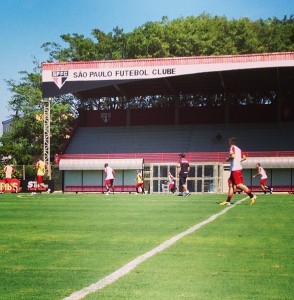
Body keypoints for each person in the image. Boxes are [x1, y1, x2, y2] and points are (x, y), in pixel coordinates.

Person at [219, 137, 256, 206]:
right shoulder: (239, 149)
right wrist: (238, 161)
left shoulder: (232, 148)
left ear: (230, 142)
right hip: (235, 169)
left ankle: (252, 196)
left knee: (239, 185)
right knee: (230, 184)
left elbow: (233, 156)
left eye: (229, 142)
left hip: (236, 169)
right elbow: (244, 157)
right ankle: (228, 201)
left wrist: (228, 159)